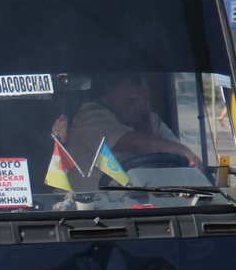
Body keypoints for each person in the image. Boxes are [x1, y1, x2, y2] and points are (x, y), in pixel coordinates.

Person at [67, 73, 203, 188]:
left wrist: (149, 130)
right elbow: (133, 143)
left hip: (139, 202)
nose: (142, 106)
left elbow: (177, 159)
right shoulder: (90, 117)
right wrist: (183, 151)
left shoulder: (151, 120)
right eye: (131, 102)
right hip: (87, 208)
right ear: (108, 101)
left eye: (145, 99)